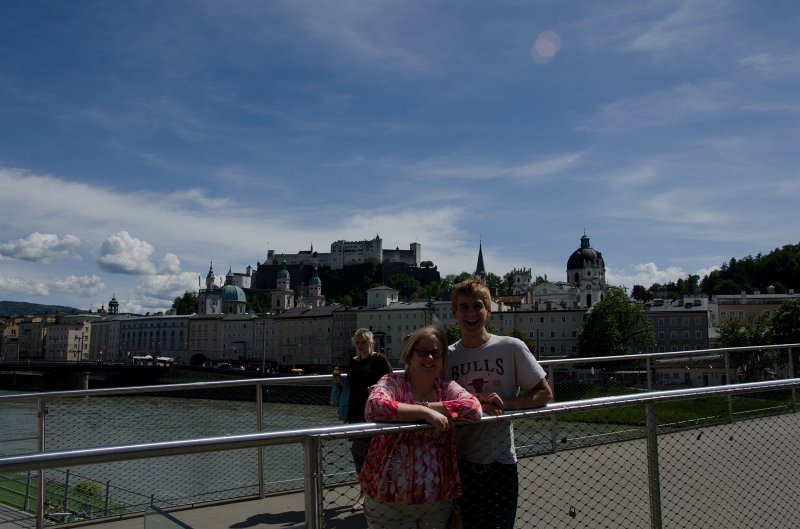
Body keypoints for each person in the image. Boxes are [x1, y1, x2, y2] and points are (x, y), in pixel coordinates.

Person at [444, 278, 553, 529]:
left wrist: (506, 404)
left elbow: (544, 393)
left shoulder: (511, 347)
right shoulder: (447, 356)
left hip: (500, 464)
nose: (471, 313)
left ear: (488, 311)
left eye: (478, 306)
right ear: (454, 313)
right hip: (459, 465)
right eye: (464, 307)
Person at [358, 325, 482, 529]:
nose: (430, 358)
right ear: (410, 355)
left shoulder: (446, 387)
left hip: (436, 498)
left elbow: (473, 408)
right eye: (423, 352)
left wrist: (426, 406)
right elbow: (374, 406)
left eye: (436, 353)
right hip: (388, 498)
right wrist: (424, 414)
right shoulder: (392, 381)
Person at [331, 328, 392, 508]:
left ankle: (377, 491)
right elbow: (352, 383)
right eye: (358, 342)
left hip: (375, 411)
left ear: (371, 343)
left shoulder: (379, 359)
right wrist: (338, 380)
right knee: (358, 452)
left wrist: (377, 387)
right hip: (356, 411)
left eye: (364, 342)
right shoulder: (353, 361)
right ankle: (364, 492)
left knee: (376, 452)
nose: (361, 345)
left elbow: (390, 380)